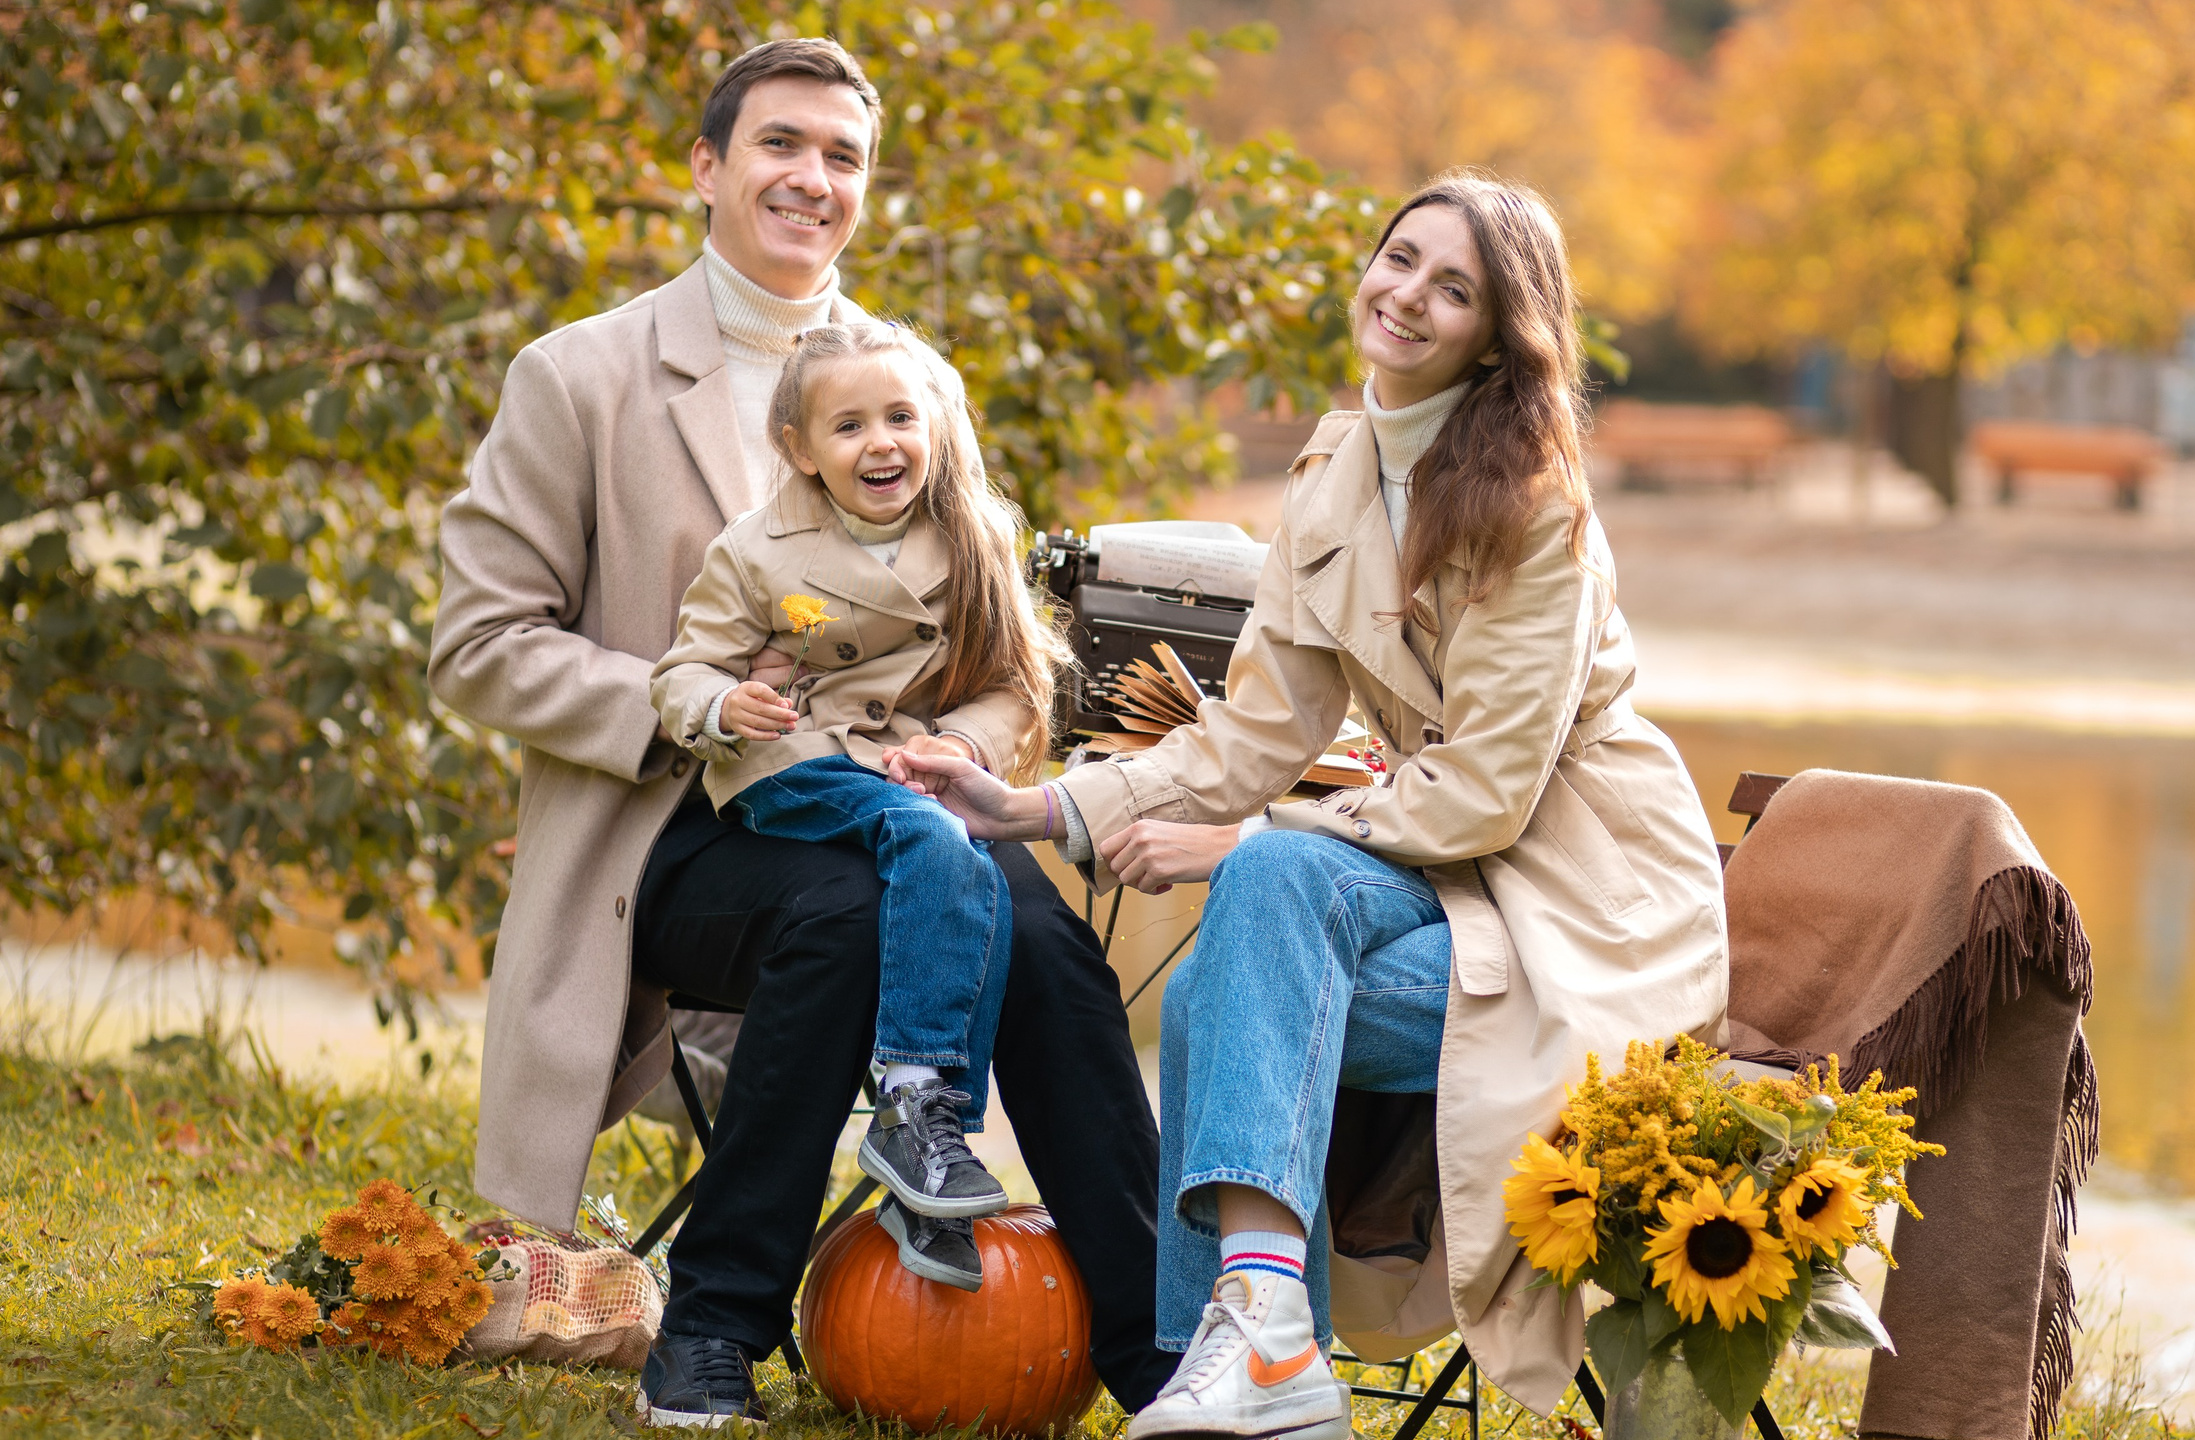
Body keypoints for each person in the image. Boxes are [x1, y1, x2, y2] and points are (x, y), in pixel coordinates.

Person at [899, 170, 1730, 1439]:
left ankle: (1224, 1359)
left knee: (1247, 933)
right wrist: (1027, 809)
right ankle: (1252, 1353)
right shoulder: (1338, 466)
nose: (1405, 296)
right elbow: (1252, 734)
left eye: (1452, 288)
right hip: (1433, 869)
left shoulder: (1536, 514)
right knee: (1255, 928)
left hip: (1580, 894)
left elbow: (1492, 797)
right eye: (1400, 258)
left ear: (1501, 335)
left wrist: (1244, 838)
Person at [428, 38, 1172, 1430]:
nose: (811, 179)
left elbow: (1008, 654)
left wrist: (960, 751)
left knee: (1044, 931)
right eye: (781, 145)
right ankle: (714, 1329)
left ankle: (1158, 1354)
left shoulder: (910, 387)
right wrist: (694, 710)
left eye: (843, 158)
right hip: (670, 835)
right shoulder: (578, 378)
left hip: (899, 807)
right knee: (848, 912)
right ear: (706, 168)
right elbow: (478, 647)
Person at [651, 319, 1072, 1286]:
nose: (880, 442)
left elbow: (1017, 681)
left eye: (898, 416)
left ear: (933, 424)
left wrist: (960, 742)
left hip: (904, 770)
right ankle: (919, 1096)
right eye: (848, 427)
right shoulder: (757, 550)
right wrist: (726, 702)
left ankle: (927, 1166)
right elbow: (681, 674)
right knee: (935, 843)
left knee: (961, 865)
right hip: (790, 766)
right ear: (800, 450)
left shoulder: (971, 536)